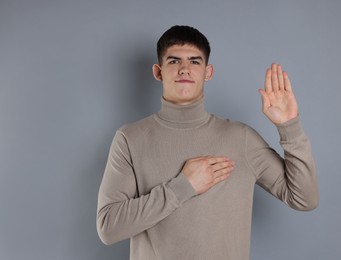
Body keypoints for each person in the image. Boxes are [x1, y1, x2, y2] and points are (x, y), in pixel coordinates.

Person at [97, 25, 318, 260]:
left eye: (194, 61)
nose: (184, 69)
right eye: (174, 61)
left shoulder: (240, 138)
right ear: (158, 71)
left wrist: (289, 126)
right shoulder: (130, 138)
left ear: (208, 72)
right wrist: (183, 186)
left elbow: (304, 198)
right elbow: (109, 228)